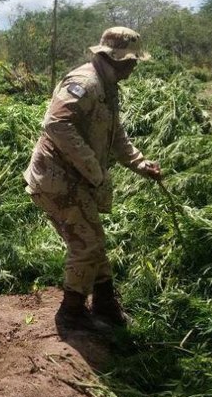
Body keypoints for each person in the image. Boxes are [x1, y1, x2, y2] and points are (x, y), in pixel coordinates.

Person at [24, 26, 162, 331]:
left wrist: (141, 164)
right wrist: (93, 169)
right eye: (133, 61)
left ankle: (104, 305)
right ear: (118, 59)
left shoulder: (107, 86)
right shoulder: (84, 83)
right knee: (86, 244)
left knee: (94, 241)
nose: (135, 66)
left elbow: (115, 136)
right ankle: (71, 314)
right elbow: (56, 124)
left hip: (74, 178)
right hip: (56, 179)